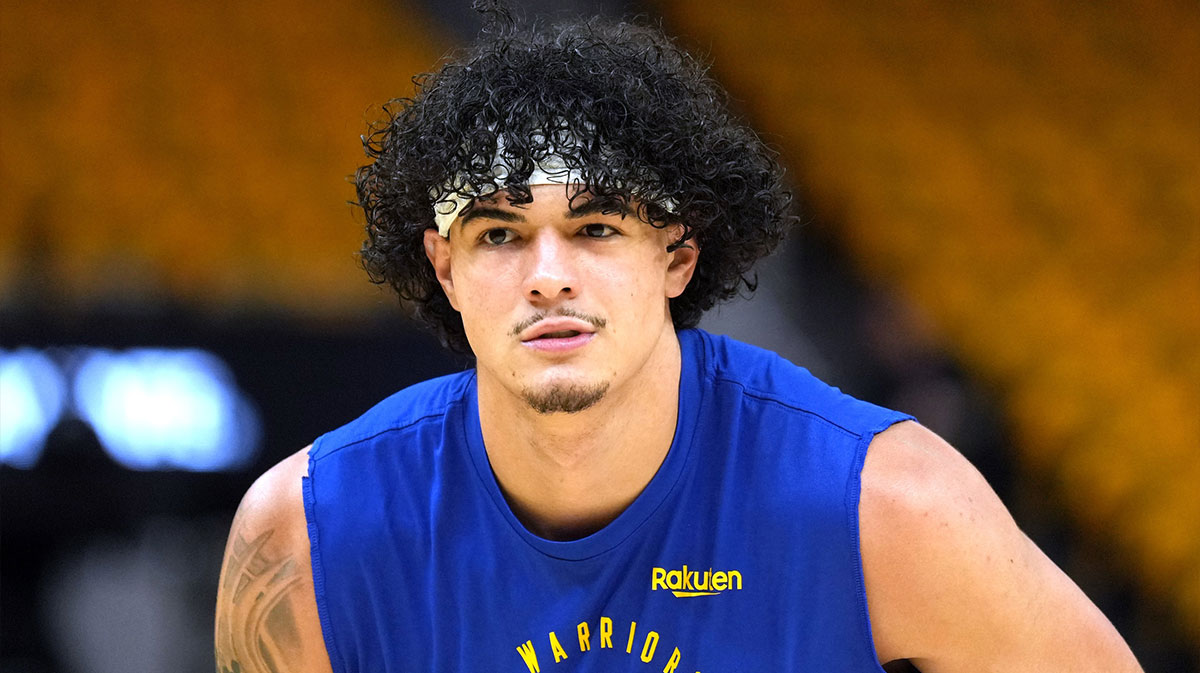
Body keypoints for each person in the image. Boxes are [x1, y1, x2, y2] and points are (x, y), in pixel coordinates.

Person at [214, 8, 1143, 673]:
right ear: (445, 267)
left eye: (598, 227)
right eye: (498, 233)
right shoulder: (308, 531)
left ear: (677, 255)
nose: (548, 274)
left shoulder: (889, 504)